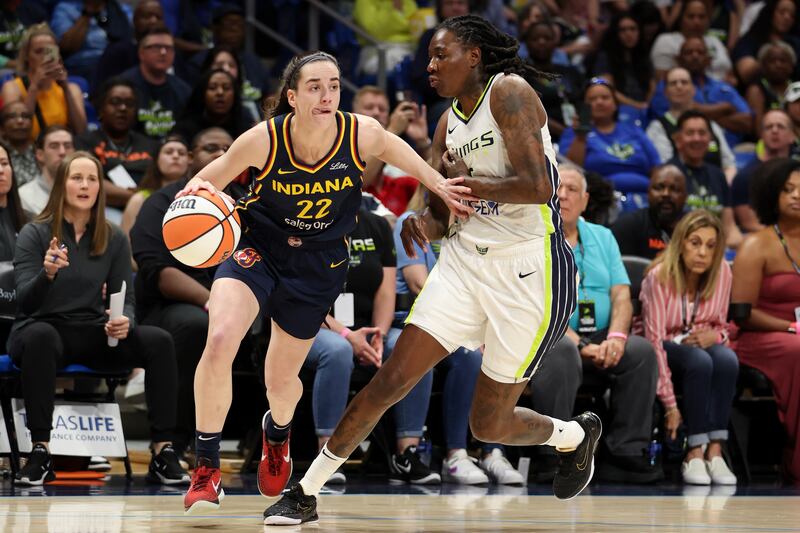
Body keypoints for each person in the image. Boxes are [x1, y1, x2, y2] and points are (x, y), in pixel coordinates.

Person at [265, 16, 601, 526]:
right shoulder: (448, 122)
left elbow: (538, 186)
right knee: (390, 379)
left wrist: (470, 189)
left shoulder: (508, 93)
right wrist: (426, 221)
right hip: (465, 265)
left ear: (474, 57)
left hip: (530, 269)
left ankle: (574, 435)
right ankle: (305, 491)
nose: (430, 65)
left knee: (487, 424)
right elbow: (448, 209)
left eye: (441, 54)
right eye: (428, 56)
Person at [179, 50, 472, 515]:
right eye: (314, 86)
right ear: (292, 97)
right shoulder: (263, 139)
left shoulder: (361, 133)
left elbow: (408, 158)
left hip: (318, 264)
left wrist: (441, 186)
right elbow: (202, 181)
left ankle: (278, 435)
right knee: (219, 338)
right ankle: (207, 466)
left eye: (334, 85)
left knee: (281, 379)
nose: (326, 94)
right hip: (258, 250)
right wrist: (195, 199)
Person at [9, 151, 188, 486]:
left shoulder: (114, 236)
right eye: (76, 178)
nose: (85, 185)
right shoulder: (35, 234)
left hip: (91, 330)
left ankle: (164, 450)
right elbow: (24, 303)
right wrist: (46, 274)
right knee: (41, 336)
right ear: (62, 185)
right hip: (39, 330)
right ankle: (40, 451)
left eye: (92, 179)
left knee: (159, 340)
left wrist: (126, 322)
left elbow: (127, 298)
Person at [529, 164, 661, 484]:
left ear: (586, 200)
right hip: (552, 334)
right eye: (556, 188)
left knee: (641, 351)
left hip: (601, 335)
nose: (562, 195)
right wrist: (582, 346)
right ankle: (552, 453)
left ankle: (625, 452)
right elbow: (538, 306)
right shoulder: (531, 238)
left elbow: (620, 295)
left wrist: (616, 337)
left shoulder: (603, 237)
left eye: (571, 189)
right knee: (560, 350)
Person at [393, 202, 525, 485]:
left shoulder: (479, 225)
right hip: (426, 318)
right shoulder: (411, 221)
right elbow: (418, 282)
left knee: (493, 353)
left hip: (470, 322)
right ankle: (455, 453)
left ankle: (492, 452)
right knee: (464, 354)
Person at [129, 128, 231, 456]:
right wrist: (211, 300)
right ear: (191, 157)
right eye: (210, 147)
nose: (219, 154)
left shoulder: (242, 205)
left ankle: (276, 439)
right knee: (196, 325)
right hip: (168, 307)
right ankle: (176, 440)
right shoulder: (161, 202)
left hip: (234, 302)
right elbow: (158, 273)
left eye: (228, 149)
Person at [638, 209, 738, 485]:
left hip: (699, 345)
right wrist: (671, 406)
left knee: (727, 359)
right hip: (666, 348)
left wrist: (714, 337)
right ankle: (693, 451)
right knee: (699, 361)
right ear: (681, 242)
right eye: (695, 243)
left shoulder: (723, 273)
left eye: (710, 245)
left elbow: (724, 328)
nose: (702, 252)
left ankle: (715, 450)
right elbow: (653, 341)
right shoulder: (658, 277)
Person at [732, 157, 800, 485]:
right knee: (797, 348)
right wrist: (789, 326)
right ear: (772, 194)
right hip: (763, 334)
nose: (796, 195)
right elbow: (742, 313)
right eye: (788, 189)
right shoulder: (756, 244)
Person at [561, 77, 661, 197]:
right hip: (601, 198)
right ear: (584, 106)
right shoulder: (573, 133)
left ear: (615, 104)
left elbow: (656, 165)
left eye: (605, 97)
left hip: (645, 195)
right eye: (592, 99)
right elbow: (571, 170)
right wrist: (580, 137)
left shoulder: (633, 130)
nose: (599, 102)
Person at [650, 37, 753, 150]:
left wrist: (700, 111)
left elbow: (747, 122)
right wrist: (726, 108)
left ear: (709, 59)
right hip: (685, 148)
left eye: (700, 52)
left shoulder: (723, 87)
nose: (695, 56)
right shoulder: (668, 85)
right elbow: (677, 116)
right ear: (678, 59)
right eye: (689, 52)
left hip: (732, 148)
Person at [76, 77, 158, 209]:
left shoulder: (151, 145)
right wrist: (136, 198)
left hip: (147, 209)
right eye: (115, 102)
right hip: (102, 209)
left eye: (129, 103)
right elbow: (88, 182)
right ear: (101, 108)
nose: (123, 108)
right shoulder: (85, 142)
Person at [668, 110, 743, 249]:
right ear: (678, 140)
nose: (697, 138)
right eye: (690, 133)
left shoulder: (718, 175)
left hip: (716, 249)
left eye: (702, 133)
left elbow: (729, 227)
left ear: (710, 139)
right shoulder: (668, 174)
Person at [352, 86, 431, 217]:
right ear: (353, 113)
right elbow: (358, 184)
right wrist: (392, 131)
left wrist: (422, 142)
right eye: (369, 107)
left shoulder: (400, 176)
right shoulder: (339, 148)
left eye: (382, 109)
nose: (376, 112)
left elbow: (436, 184)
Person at [646, 67, 736, 180]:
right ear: (666, 92)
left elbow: (729, 165)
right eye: (673, 83)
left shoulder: (711, 125)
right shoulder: (657, 128)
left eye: (684, 82)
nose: (679, 87)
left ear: (693, 89)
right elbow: (663, 169)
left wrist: (723, 186)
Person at [0, 23, 87, 140]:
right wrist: (34, 86)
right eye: (39, 51)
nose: (45, 57)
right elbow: (17, 133)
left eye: (49, 51)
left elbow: (81, 131)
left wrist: (65, 88)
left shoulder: (72, 88)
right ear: (26, 56)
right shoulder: (12, 88)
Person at [732, 109, 798, 232]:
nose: (774, 130)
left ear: (792, 136)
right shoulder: (745, 176)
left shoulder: (798, 173)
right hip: (766, 241)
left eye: (781, 126)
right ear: (761, 135)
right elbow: (750, 223)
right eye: (769, 127)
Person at [120, 25, 191, 139]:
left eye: (168, 48)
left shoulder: (183, 90)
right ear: (141, 53)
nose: (163, 52)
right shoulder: (123, 87)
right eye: (156, 47)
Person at [522, 20, 584, 141]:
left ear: (555, 42)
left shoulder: (571, 72)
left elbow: (585, 101)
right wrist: (565, 133)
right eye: (535, 39)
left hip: (578, 136)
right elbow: (527, 113)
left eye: (547, 38)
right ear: (527, 43)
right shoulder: (522, 77)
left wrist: (582, 128)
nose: (541, 42)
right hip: (542, 138)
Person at [612, 164, 689, 260]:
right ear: (648, 193)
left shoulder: (694, 228)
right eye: (659, 188)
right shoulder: (627, 226)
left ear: (685, 196)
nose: (666, 194)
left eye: (674, 189)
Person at [121, 134, 190, 236]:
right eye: (169, 152)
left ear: (190, 160)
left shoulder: (197, 194)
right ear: (156, 160)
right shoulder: (139, 199)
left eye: (182, 153)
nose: (175, 156)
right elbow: (126, 243)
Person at [50, 0, 133, 82]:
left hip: (117, 64)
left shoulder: (122, 10)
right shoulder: (66, 9)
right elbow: (66, 47)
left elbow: (132, 40)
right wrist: (87, 13)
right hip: (84, 66)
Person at [650, 0, 733, 81]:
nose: (697, 22)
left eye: (702, 17)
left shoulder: (715, 41)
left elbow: (731, 75)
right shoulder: (666, 41)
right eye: (691, 16)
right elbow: (661, 80)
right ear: (681, 19)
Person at [590, 12, 654, 113]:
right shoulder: (605, 57)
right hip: (618, 110)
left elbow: (652, 87)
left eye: (633, 29)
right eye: (623, 30)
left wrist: (647, 105)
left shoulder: (644, 56)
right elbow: (607, 89)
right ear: (615, 33)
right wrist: (638, 106)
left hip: (645, 110)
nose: (628, 34)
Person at [93, 0, 164, 92]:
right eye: (147, 16)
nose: (153, 21)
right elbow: (102, 92)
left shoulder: (170, 52)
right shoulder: (116, 52)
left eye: (158, 17)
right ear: (135, 20)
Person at [172, 68, 252, 144]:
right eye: (212, 88)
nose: (220, 92)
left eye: (226, 88)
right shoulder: (185, 129)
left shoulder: (247, 129)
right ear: (202, 94)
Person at [732, 0, 800, 85]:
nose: (787, 17)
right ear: (770, 12)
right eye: (782, 12)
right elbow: (745, 73)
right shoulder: (750, 41)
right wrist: (771, 56)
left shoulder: (795, 43)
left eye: (792, 15)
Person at [19, 126, 74, 220]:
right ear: (40, 155)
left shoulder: (84, 190)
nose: (62, 152)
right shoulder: (24, 196)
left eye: (67, 146)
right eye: (54, 146)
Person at [745, 41, 796, 134]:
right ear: (763, 66)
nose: (778, 65)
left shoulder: (797, 88)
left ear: (792, 65)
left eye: (783, 60)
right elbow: (759, 130)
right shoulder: (756, 90)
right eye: (772, 61)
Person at [1, 101, 39, 187]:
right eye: (12, 117)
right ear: (2, 128)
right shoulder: (2, 155)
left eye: (25, 116)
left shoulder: (43, 153)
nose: (20, 121)